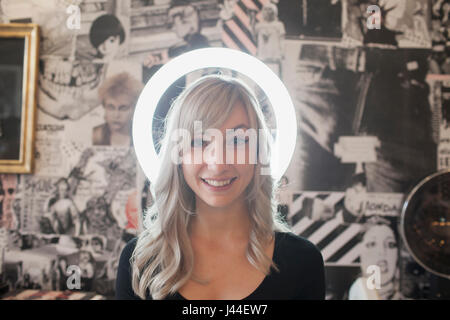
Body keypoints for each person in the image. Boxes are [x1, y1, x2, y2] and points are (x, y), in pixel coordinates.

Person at [116, 75, 325, 300]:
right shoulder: (139, 262)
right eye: (199, 141)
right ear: (178, 155)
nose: (218, 164)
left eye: (237, 140)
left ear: (258, 153)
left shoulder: (303, 261)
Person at [92, 72, 143, 146]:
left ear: (134, 109)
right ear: (104, 107)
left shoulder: (142, 136)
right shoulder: (95, 135)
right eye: (111, 107)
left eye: (123, 108)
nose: (116, 115)